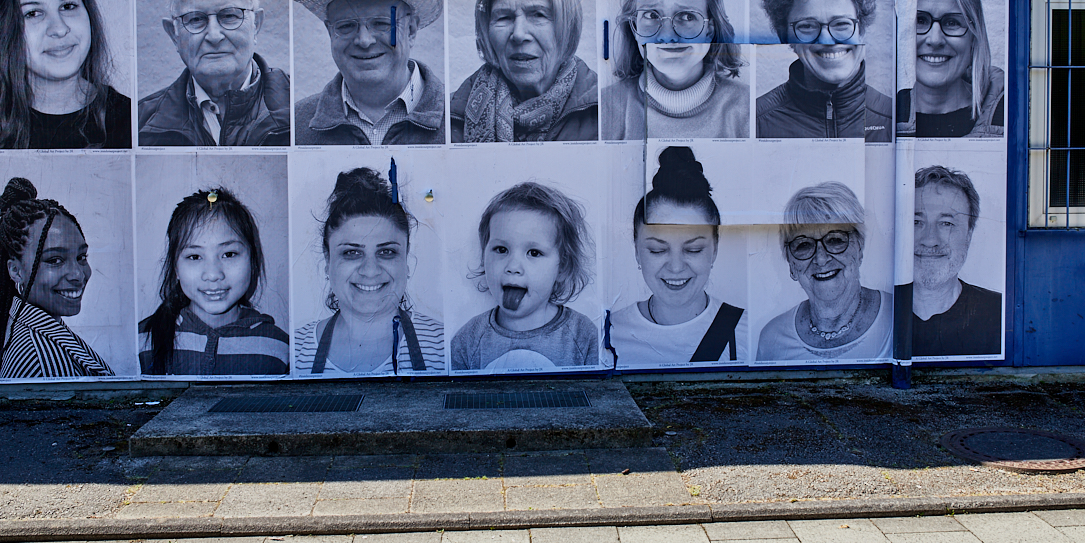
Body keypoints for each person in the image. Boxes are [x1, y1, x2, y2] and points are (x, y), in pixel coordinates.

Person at [293, 167, 444, 375]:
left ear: (406, 260)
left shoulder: (444, 346)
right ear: (328, 262)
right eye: (352, 253)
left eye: (387, 251)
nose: (370, 271)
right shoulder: (294, 350)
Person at [0, 0, 130, 149]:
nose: (59, 29)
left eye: (68, 6)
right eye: (33, 13)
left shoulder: (133, 121)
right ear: (2, 28)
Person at [609, 146, 748, 365]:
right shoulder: (609, 333)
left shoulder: (748, 331)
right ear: (636, 251)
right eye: (657, 250)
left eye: (693, 250)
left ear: (715, 249)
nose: (675, 267)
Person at [294, 0, 444, 145]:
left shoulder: (459, 119)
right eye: (346, 26)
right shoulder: (295, 126)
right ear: (330, 32)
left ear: (411, 30)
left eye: (381, 24)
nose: (364, 41)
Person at [138, 0, 290, 146]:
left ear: (256, 24)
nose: (214, 35)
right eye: (195, 19)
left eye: (229, 16)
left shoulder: (301, 112)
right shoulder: (138, 124)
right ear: (173, 34)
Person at [139, 188, 289, 376]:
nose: (213, 274)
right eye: (194, 257)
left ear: (252, 260)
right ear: (175, 267)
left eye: (229, 254)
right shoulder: (142, 341)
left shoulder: (280, 347)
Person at [451, 182, 598, 371]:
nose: (513, 267)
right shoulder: (467, 341)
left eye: (534, 253)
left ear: (562, 268)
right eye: (501, 249)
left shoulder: (583, 336)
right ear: (483, 256)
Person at [602, 0, 748, 140]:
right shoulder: (603, 109)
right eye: (652, 16)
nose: (668, 36)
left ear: (710, 30)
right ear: (635, 27)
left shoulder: (749, 109)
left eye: (687, 16)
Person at [0, 177, 113, 379]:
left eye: (81, 257)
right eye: (55, 260)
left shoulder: (34, 330)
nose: (78, 274)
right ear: (16, 271)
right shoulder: (44, 366)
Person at [757, 0, 891, 141]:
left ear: (861, 27)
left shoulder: (894, 117)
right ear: (787, 35)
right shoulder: (755, 122)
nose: (827, 39)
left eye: (841, 24)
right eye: (808, 26)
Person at [451, 0, 597, 142]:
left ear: (567, 27)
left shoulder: (606, 111)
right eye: (504, 17)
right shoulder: (451, 115)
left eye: (538, 15)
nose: (518, 34)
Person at [757, 182, 892, 362]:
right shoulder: (772, 339)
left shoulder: (897, 317)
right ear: (791, 264)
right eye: (803, 245)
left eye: (835, 239)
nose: (821, 259)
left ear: (859, 248)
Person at [896, 165, 1002, 356]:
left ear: (969, 235)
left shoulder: (999, 314)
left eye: (947, 224)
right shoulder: (871, 313)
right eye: (916, 222)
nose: (930, 240)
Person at [896, 0, 1005, 138]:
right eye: (920, 20)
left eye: (952, 22)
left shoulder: (1006, 114)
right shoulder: (885, 114)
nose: (935, 39)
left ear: (974, 36)